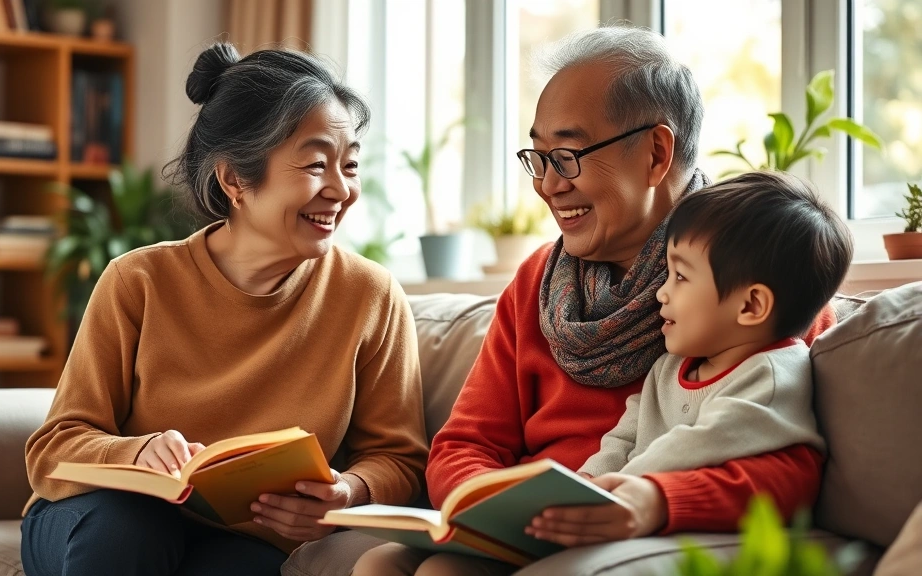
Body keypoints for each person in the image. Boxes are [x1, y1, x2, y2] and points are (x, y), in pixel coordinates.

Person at [353, 25, 837, 576]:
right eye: (538, 158)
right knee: (380, 563)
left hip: (644, 529)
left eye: (566, 155)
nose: (546, 186)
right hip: (531, 525)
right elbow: (465, 442)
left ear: (656, 153)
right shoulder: (537, 280)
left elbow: (792, 467)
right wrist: (490, 511)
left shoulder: (763, 274)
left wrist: (656, 501)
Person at [20, 43, 429, 576]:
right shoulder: (138, 280)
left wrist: (346, 492)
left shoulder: (370, 296)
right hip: (100, 517)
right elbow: (54, 447)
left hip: (243, 538)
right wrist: (136, 454)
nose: (341, 189)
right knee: (129, 533)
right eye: (314, 164)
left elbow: (400, 459)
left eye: (349, 165)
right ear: (234, 179)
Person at [576, 171, 851, 481]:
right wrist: (588, 478)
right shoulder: (668, 368)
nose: (661, 292)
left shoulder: (774, 378)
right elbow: (625, 437)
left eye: (680, 276)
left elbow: (696, 446)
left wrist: (615, 489)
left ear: (751, 306)